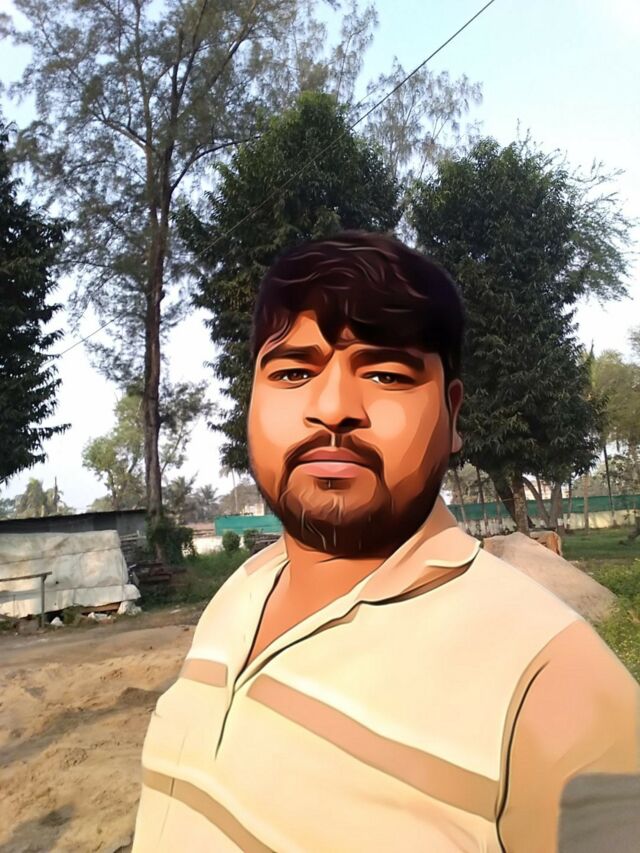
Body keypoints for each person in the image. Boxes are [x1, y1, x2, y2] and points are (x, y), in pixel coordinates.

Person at [132, 231, 639, 852]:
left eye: (386, 374)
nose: (333, 409)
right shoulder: (238, 593)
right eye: (292, 372)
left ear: (453, 415)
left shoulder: (550, 685)